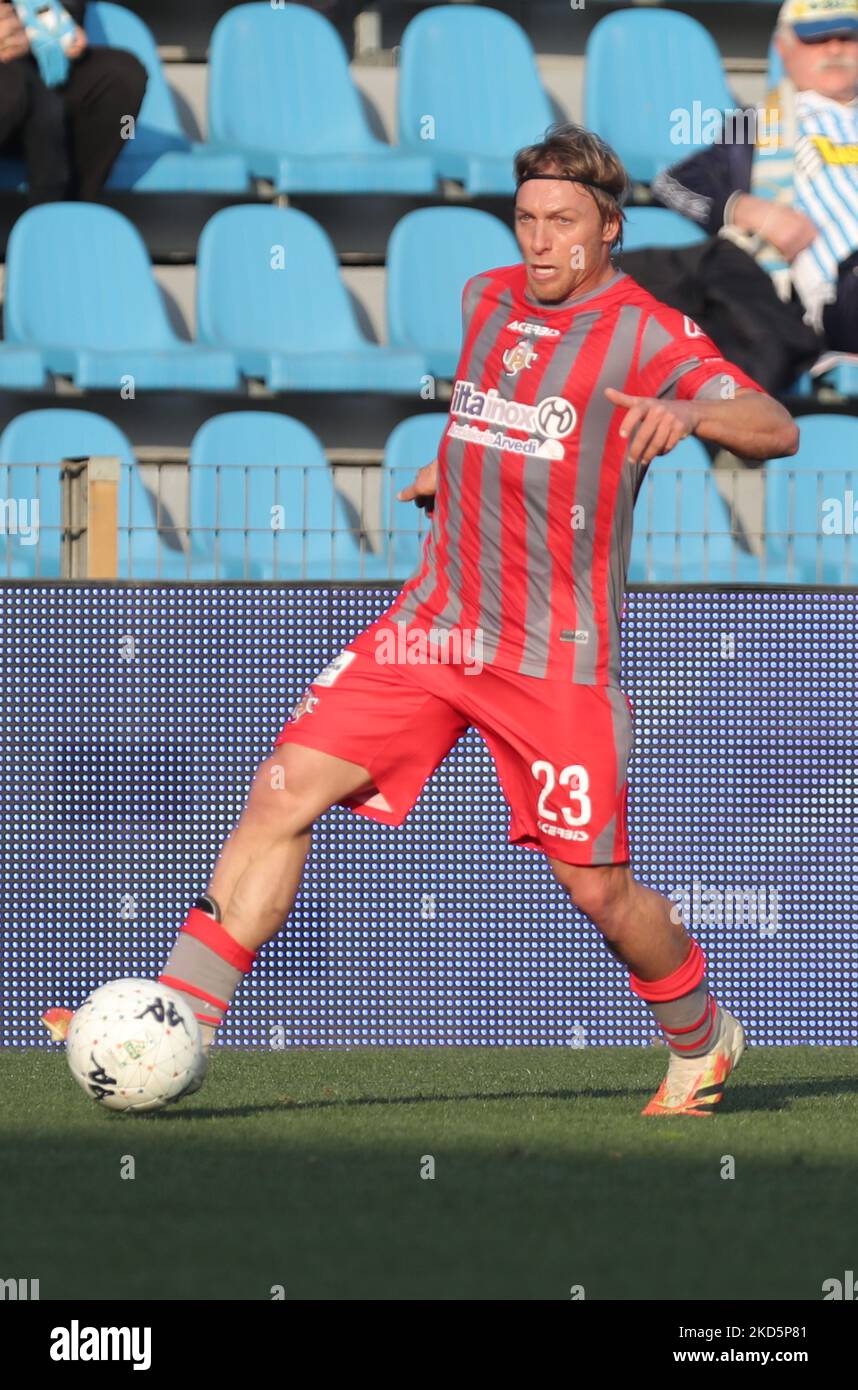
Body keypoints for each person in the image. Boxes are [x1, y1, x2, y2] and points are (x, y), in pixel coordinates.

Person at [157, 123, 797, 1118]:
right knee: (281, 791)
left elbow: (775, 424)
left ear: (611, 228)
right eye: (527, 220)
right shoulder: (485, 298)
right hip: (432, 628)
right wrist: (448, 477)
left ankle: (703, 1035)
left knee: (600, 894)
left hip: (554, 658)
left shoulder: (646, 331)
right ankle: (171, 1022)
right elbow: (491, 418)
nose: (540, 242)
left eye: (564, 224)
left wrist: (692, 415)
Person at [652, 0, 858, 354]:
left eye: (846, 36)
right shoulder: (755, 125)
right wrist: (746, 210)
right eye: (817, 38)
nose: (834, 48)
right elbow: (671, 183)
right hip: (839, 289)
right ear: (784, 48)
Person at [0, 0, 146, 200]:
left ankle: (73, 209)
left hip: (45, 67)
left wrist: (49, 27)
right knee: (15, 84)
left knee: (125, 77)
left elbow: (69, 7)